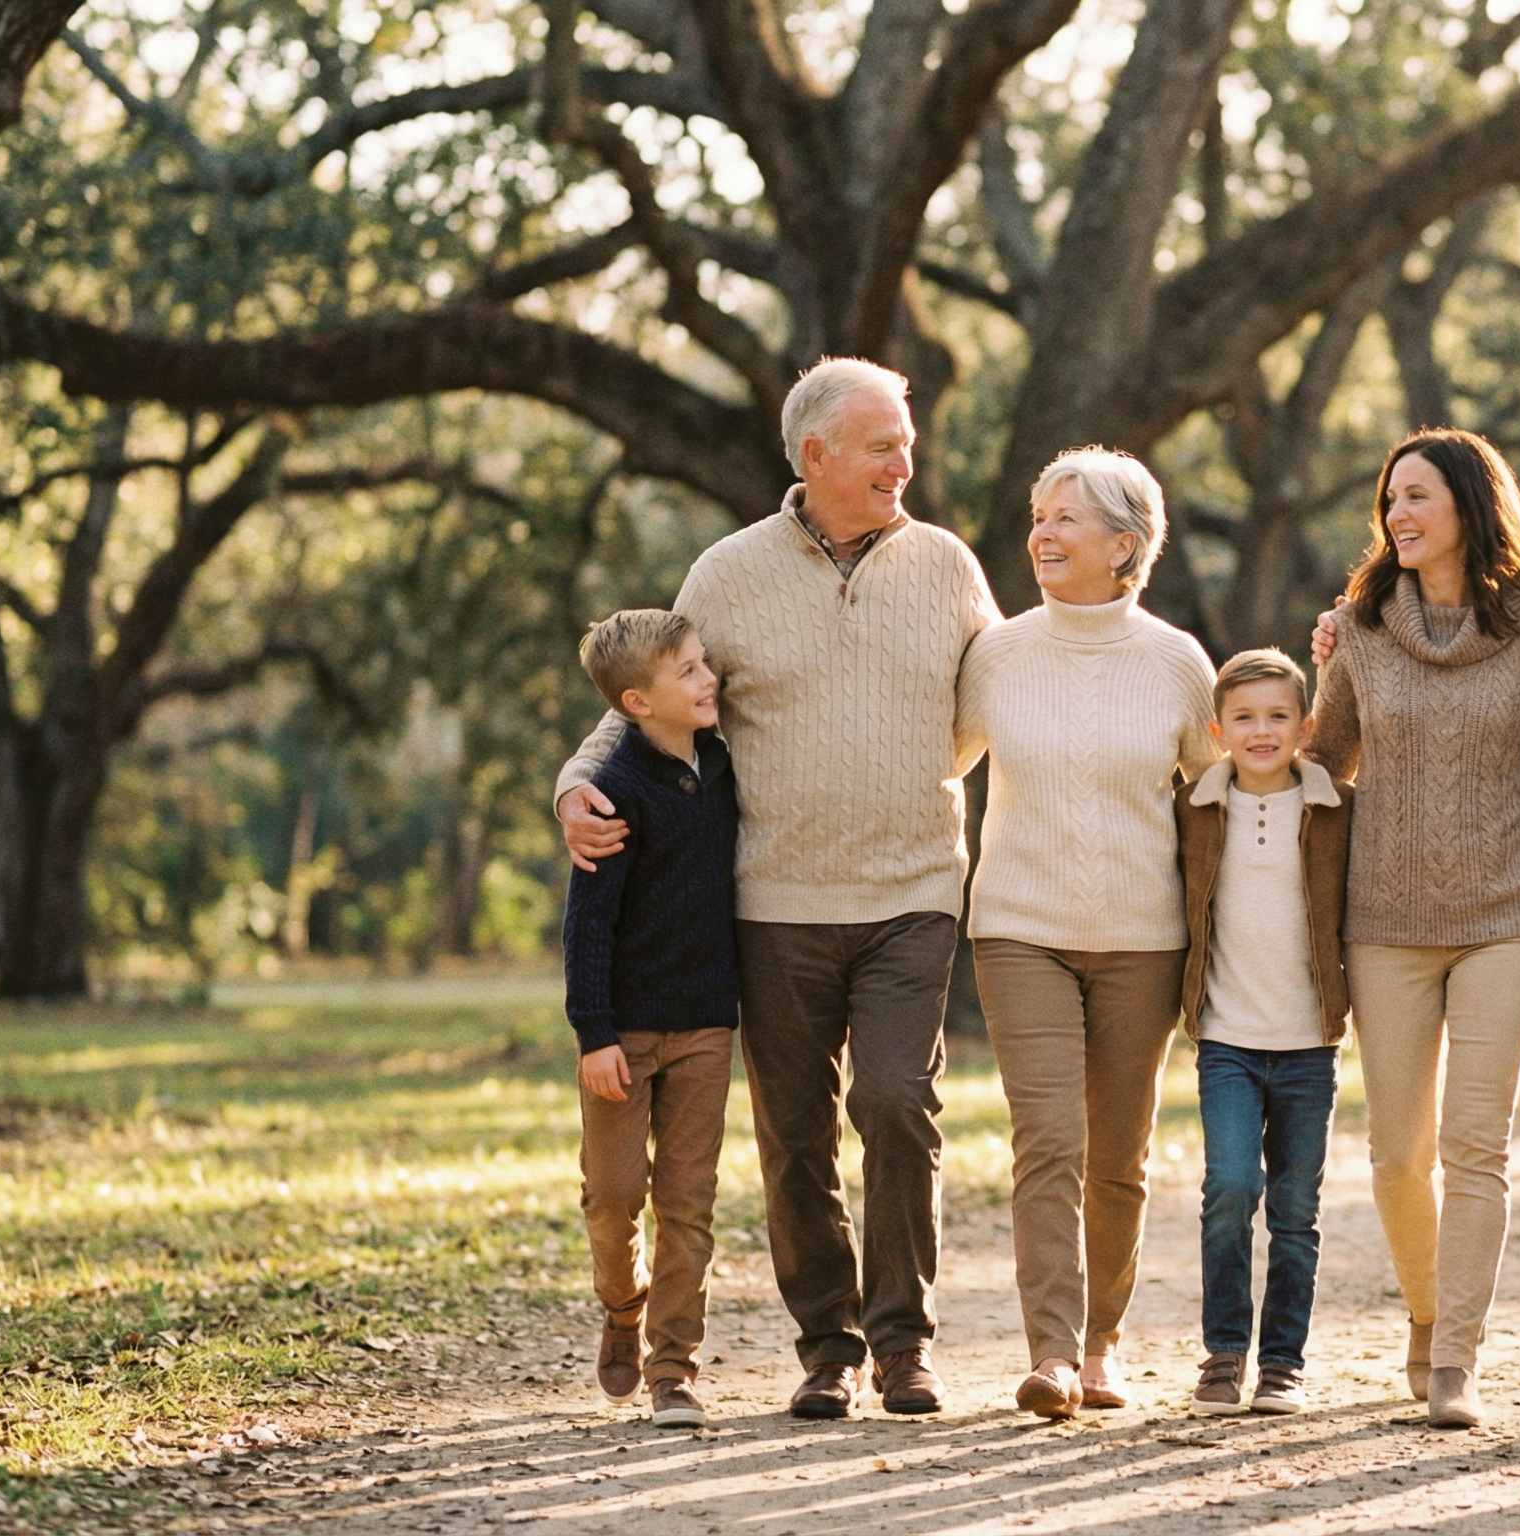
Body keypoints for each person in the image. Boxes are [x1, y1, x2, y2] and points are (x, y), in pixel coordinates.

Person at [554, 358, 1001, 1420]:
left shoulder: (946, 565)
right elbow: (647, 700)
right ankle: (830, 1348)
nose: (907, 460)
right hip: (774, 901)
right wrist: (576, 781)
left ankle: (902, 1345)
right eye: (884, 443)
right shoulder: (726, 575)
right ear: (816, 456)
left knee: (897, 1104)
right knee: (794, 1134)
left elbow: (1000, 695)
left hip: (914, 889)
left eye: (906, 442)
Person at [1308, 428, 1520, 1431]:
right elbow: (1324, 762)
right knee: (1393, 1156)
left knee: (1475, 1143)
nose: (1398, 516)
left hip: (1507, 912)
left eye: (1416, 497)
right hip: (1384, 920)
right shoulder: (1361, 628)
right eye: (1390, 502)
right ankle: (1426, 1311)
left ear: (1470, 504)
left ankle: (1454, 1354)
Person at [953, 448, 1217, 1419]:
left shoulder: (1176, 663)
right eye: (1038, 513)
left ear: (1125, 544)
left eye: (1066, 518)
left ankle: (1103, 1341)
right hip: (1020, 926)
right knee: (1049, 1140)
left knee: (1119, 1153)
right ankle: (1054, 1354)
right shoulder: (998, 654)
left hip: (1142, 940)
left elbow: (1222, 790)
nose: (1042, 533)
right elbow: (933, 760)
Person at [560, 609, 740, 1430]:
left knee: (689, 1200)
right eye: (691, 673)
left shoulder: (724, 768)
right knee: (614, 1195)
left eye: (705, 665)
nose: (710, 681)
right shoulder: (614, 793)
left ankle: (675, 1371)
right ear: (637, 701)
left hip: (706, 1023)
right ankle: (621, 1303)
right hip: (623, 1035)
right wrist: (594, 1034)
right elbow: (588, 924)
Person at [1175, 649, 1354, 1418]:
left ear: (1305, 727)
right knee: (1230, 1189)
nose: (1261, 730)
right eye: (1244, 717)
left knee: (1292, 1209)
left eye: (1278, 715)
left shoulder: (1338, 809)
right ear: (1218, 730)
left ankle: (1282, 1363)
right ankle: (1223, 1354)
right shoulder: (1193, 809)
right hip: (1227, 1040)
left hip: (1310, 1042)